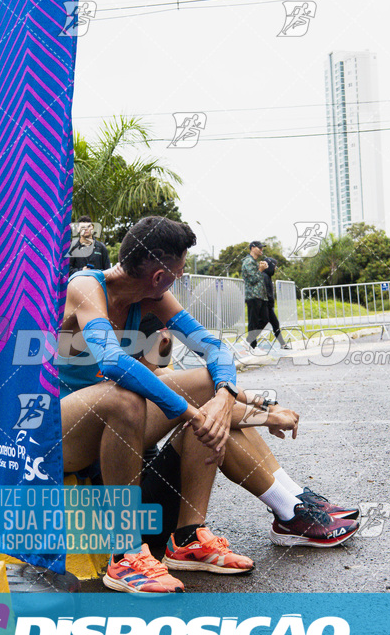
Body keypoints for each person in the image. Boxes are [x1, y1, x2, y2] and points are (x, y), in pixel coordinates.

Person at [59, 217, 358, 594]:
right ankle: (125, 555)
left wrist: (223, 397)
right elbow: (113, 363)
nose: (182, 280)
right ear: (158, 276)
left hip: (122, 430)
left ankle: (188, 539)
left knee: (205, 384)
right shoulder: (86, 286)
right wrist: (199, 412)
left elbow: (214, 348)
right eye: (180, 272)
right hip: (66, 435)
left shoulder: (153, 296)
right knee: (126, 397)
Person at [241, 241, 270, 348]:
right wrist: (261, 270)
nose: (261, 250)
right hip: (253, 296)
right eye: (259, 248)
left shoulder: (253, 262)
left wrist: (261, 269)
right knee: (253, 322)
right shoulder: (248, 261)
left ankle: (249, 342)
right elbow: (253, 279)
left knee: (265, 319)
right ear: (253, 248)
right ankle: (252, 346)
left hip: (260, 296)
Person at [262, 256, 290, 349]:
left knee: (275, 324)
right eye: (274, 266)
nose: (275, 269)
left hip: (268, 306)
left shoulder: (267, 276)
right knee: (261, 324)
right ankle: (248, 341)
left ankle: (283, 344)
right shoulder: (264, 276)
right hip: (264, 306)